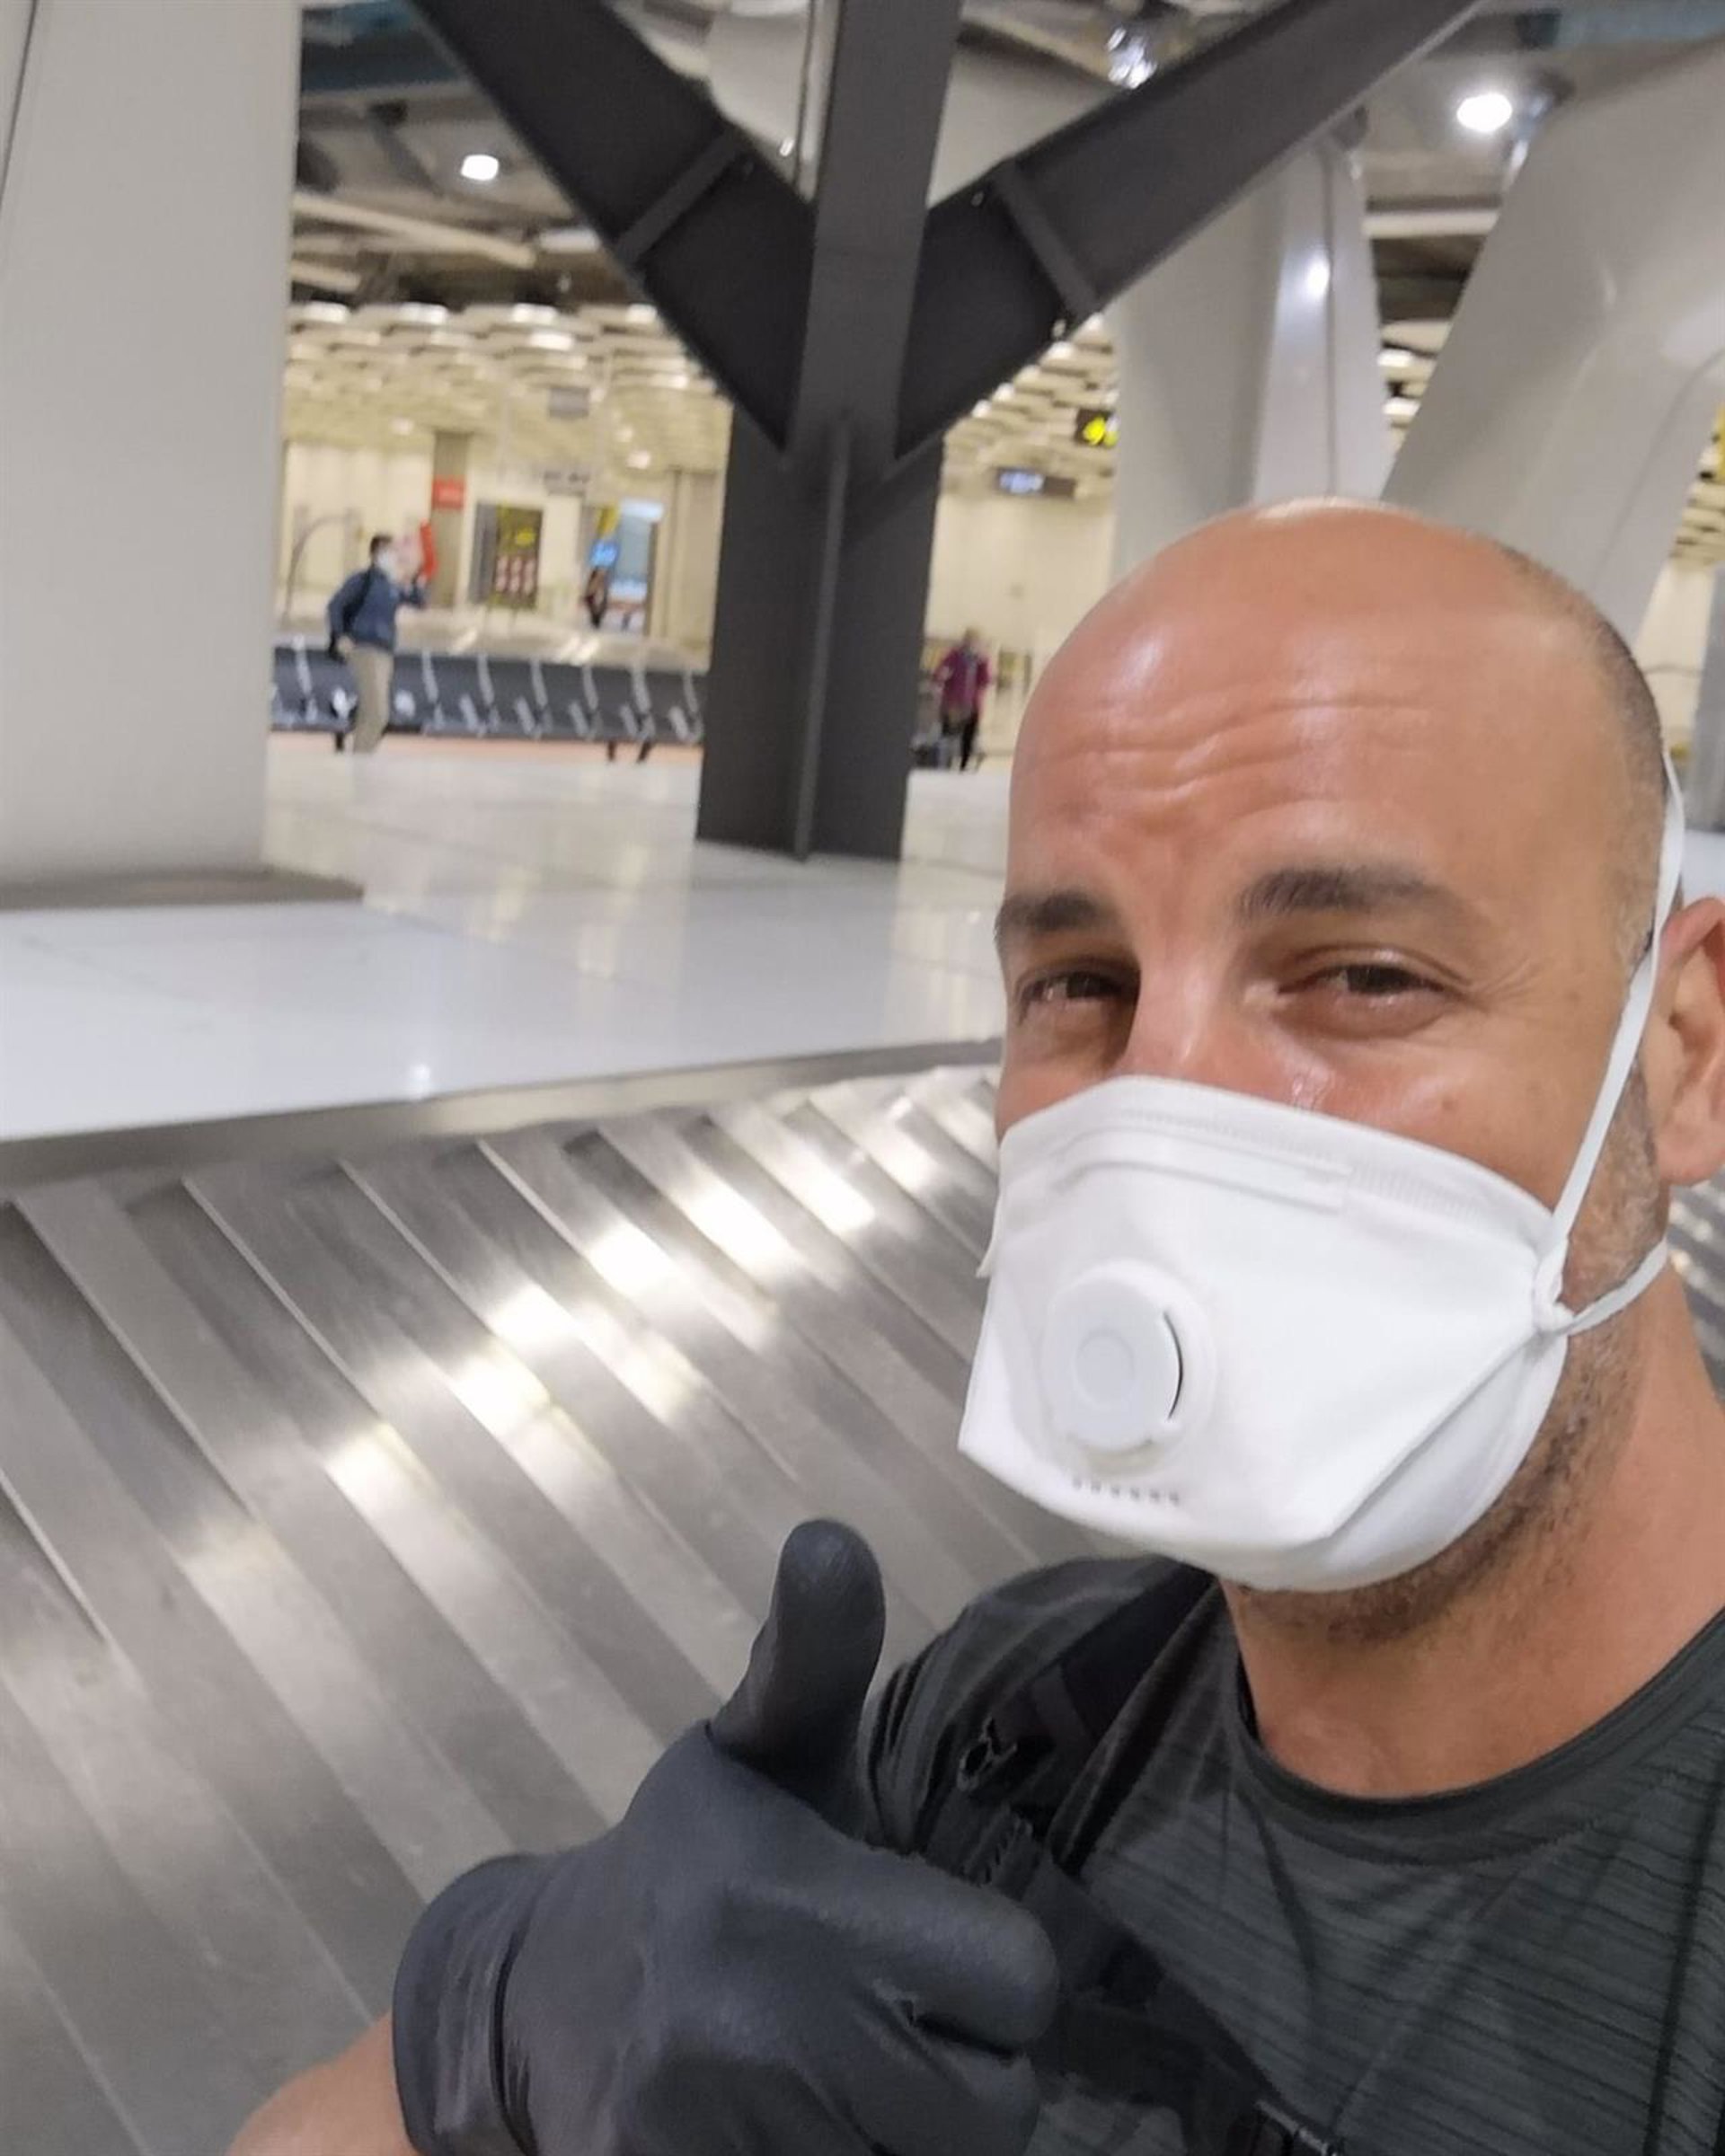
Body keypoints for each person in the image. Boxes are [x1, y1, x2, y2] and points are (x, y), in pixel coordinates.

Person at [229, 502, 1725, 2156]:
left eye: (1362, 977)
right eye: (1080, 983)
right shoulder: (1027, 1715)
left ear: (1688, 1048)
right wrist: (505, 2019)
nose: (1169, 1105)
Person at [326, 534, 427, 755]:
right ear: (376, 553)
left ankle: (361, 754)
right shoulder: (363, 581)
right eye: (389, 551)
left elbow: (419, 601)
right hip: (364, 650)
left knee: (371, 711)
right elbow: (335, 605)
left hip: (385, 652)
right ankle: (362, 755)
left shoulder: (392, 584)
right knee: (377, 711)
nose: (394, 555)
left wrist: (416, 575)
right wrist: (340, 635)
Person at [934, 626, 993, 771]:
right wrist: (943, 676)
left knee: (968, 736)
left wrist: (983, 663)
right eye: (970, 640)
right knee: (949, 734)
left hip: (972, 704)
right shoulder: (954, 656)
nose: (972, 644)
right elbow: (940, 672)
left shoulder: (981, 660)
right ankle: (945, 763)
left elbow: (986, 680)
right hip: (953, 702)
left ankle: (964, 766)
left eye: (975, 641)